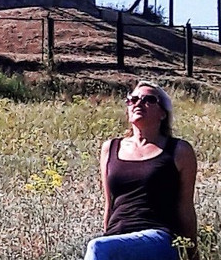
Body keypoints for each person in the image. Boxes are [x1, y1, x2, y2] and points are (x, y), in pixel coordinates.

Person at [84, 82, 198, 260]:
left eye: (149, 100)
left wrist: (191, 254)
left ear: (162, 113)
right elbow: (110, 205)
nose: (138, 103)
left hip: (159, 238)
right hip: (116, 240)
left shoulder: (178, 151)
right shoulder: (110, 148)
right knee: (101, 247)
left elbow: (185, 208)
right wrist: (108, 238)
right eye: (133, 99)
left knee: (97, 248)